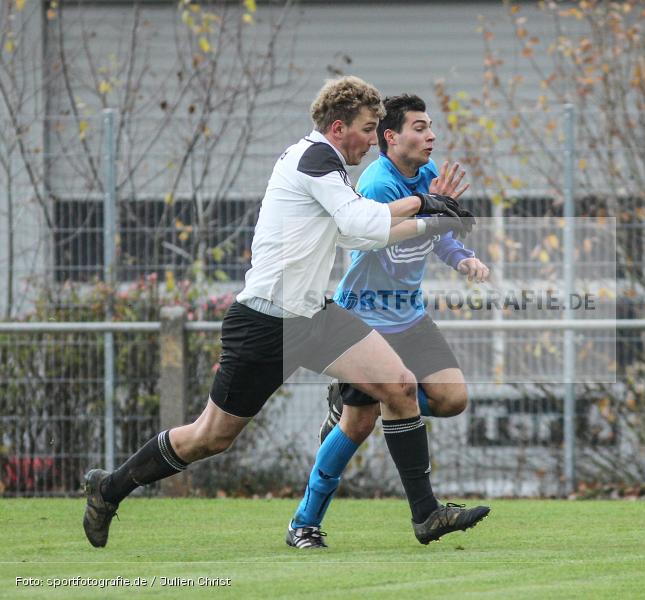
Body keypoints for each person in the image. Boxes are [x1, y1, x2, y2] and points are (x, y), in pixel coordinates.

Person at [82, 76, 488, 550]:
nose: (374, 137)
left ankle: (426, 515)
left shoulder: (329, 165)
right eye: (369, 127)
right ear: (339, 128)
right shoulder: (315, 158)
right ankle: (109, 488)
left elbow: (357, 236)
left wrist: (429, 218)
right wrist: (423, 202)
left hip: (313, 315)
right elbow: (361, 223)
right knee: (210, 437)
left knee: (399, 386)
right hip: (264, 321)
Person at [287, 93, 490, 550]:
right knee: (357, 427)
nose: (431, 135)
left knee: (453, 397)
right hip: (366, 317)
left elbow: (438, 234)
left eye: (431, 126)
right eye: (419, 127)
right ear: (390, 137)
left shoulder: (428, 177)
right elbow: (389, 249)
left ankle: (377, 398)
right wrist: (428, 209)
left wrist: (461, 255)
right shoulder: (379, 185)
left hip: (410, 316)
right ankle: (303, 522)